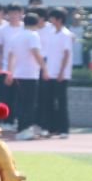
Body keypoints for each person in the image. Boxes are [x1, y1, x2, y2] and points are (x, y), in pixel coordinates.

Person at [3, 8, 45, 139]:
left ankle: (21, 128)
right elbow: (36, 53)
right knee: (29, 103)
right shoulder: (33, 35)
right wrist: (44, 68)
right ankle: (25, 129)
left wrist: (9, 72)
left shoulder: (16, 37)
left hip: (18, 74)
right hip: (30, 74)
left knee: (20, 103)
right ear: (37, 23)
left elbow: (10, 56)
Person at [40, 8, 74, 138]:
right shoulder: (52, 33)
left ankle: (64, 129)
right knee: (48, 101)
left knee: (61, 103)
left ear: (59, 19)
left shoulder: (66, 34)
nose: (50, 20)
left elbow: (66, 54)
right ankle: (52, 128)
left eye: (52, 18)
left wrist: (61, 72)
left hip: (61, 75)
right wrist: (46, 70)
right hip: (50, 73)